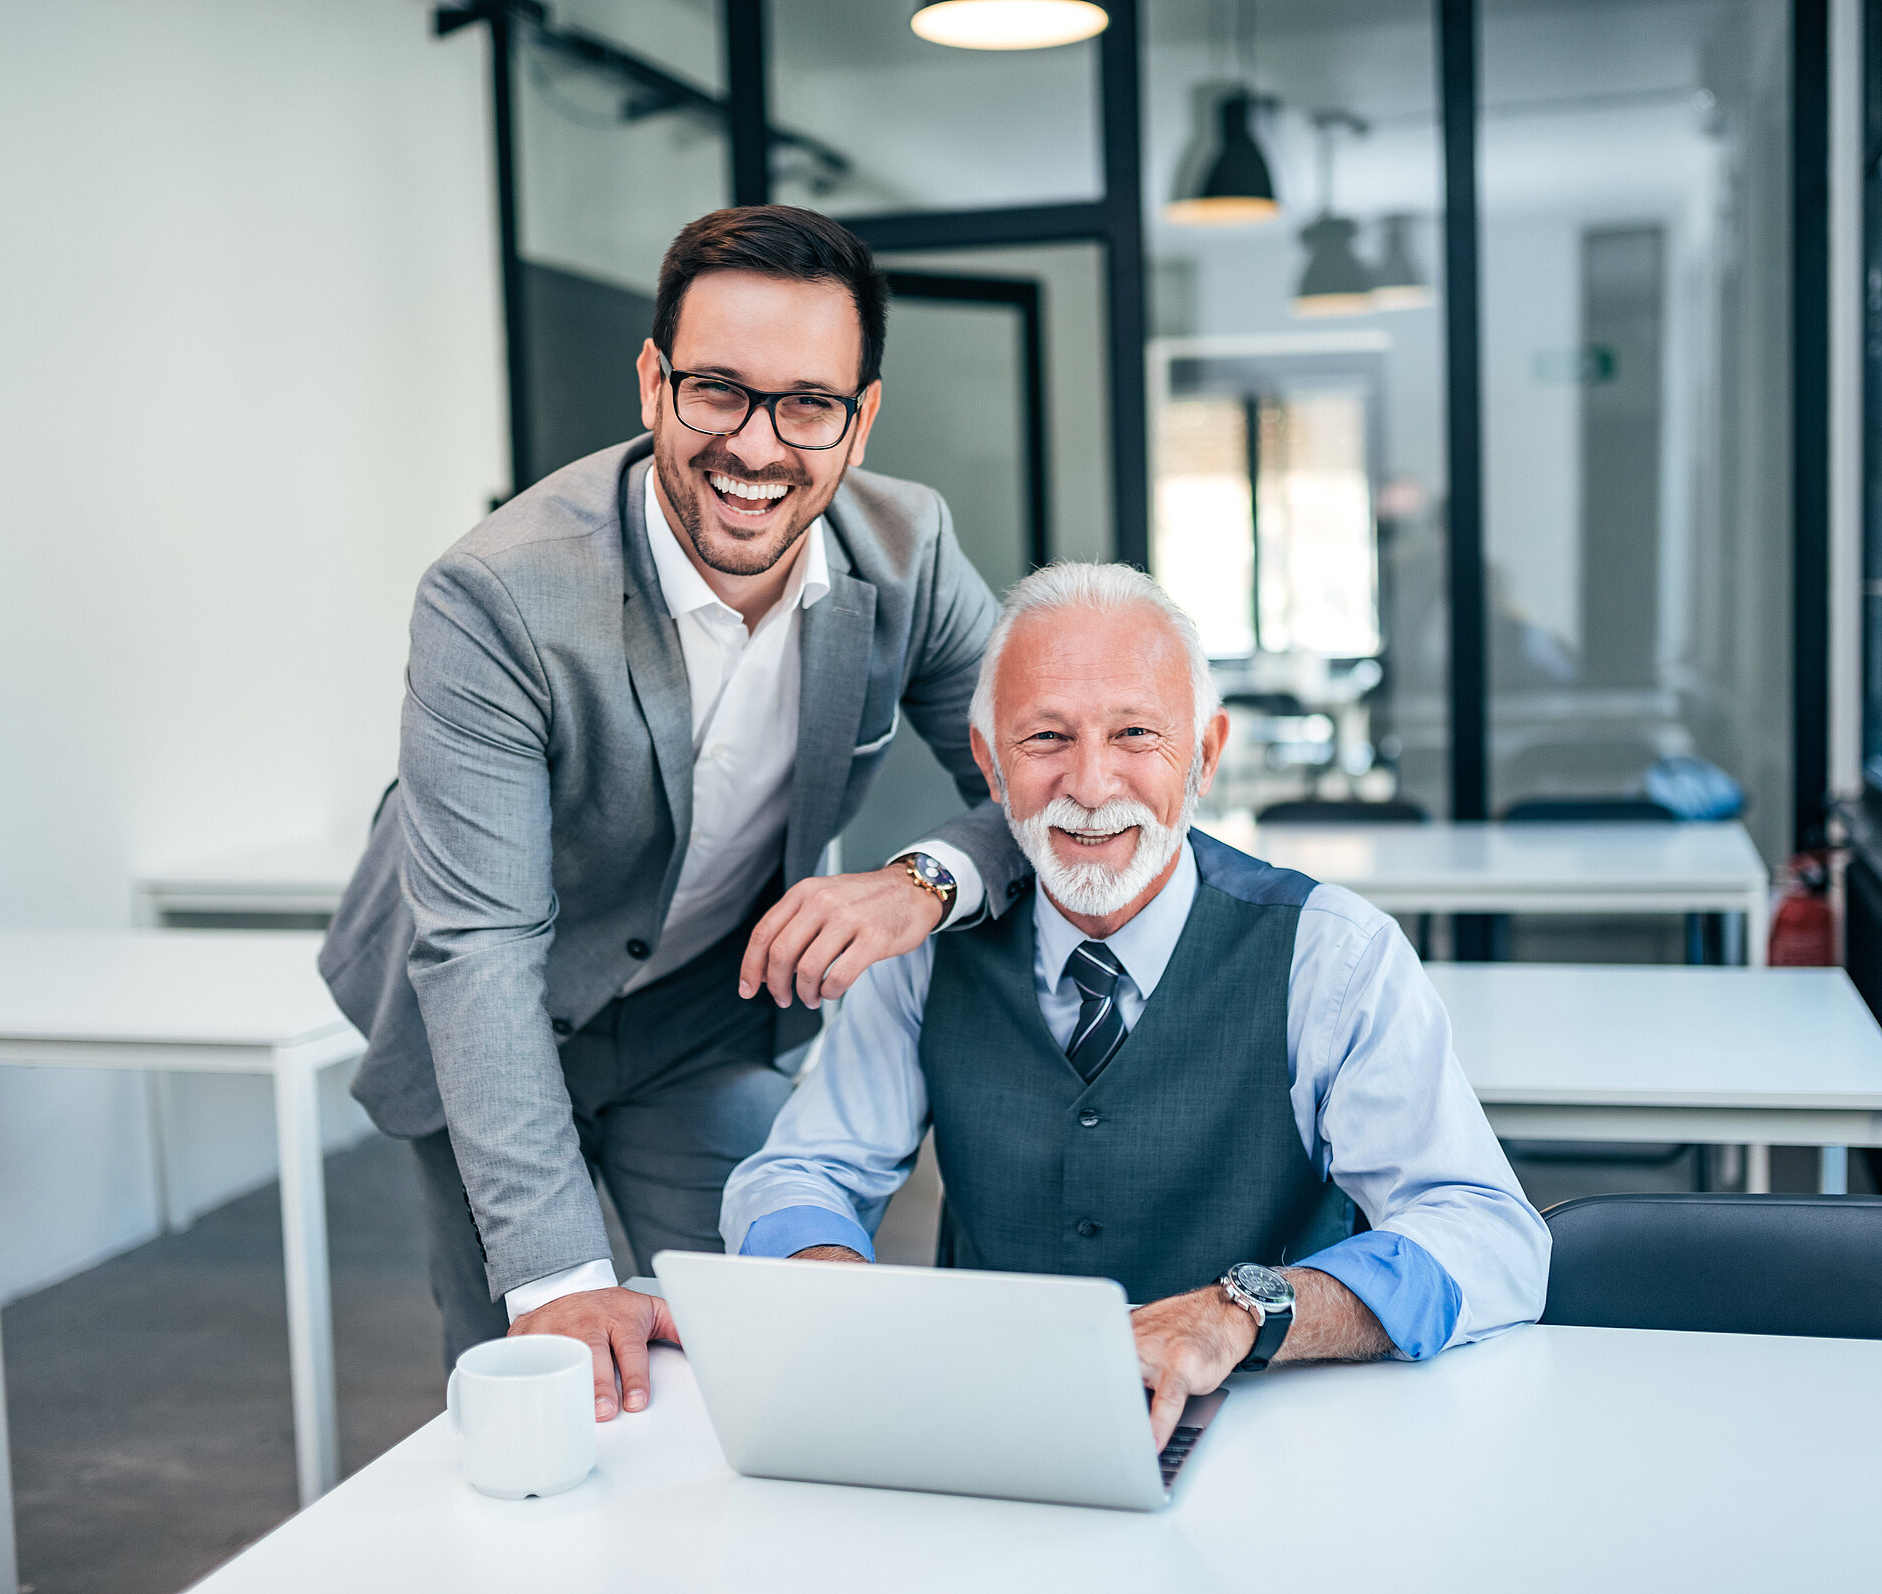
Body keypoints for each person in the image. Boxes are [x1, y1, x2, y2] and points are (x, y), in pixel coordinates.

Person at [319, 206, 1029, 1418]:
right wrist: (554, 1279)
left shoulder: (908, 553)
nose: (759, 445)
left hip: (702, 1015)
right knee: (534, 1381)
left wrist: (919, 881)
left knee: (772, 1346)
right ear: (654, 382)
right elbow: (481, 947)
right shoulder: (496, 596)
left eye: (808, 402)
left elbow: (1039, 785)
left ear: (860, 421)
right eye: (718, 391)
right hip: (484, 1009)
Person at [722, 562, 1550, 1449]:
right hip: (994, 1432)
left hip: (1277, 1440)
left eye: (1135, 734)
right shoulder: (922, 956)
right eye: (1044, 738)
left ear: (1204, 753)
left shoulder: (1333, 956)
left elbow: (1488, 1235)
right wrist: (826, 1274)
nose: (1089, 783)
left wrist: (1243, 1313)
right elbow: (799, 1172)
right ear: (988, 763)